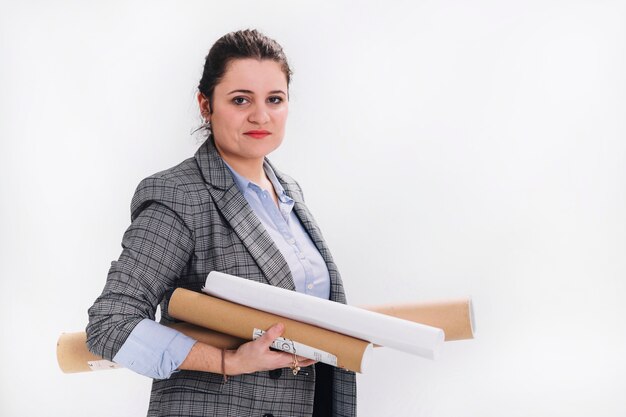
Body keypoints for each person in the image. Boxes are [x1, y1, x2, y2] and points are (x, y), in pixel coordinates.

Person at [86, 29, 357, 417]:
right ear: (205, 104)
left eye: (274, 99)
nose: (260, 115)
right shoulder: (179, 194)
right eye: (240, 99)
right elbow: (110, 323)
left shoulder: (289, 192)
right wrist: (229, 361)